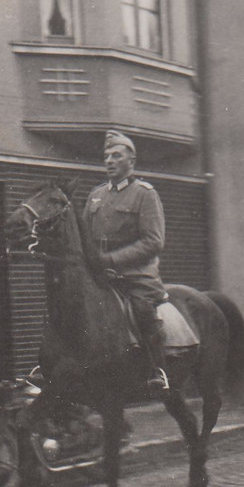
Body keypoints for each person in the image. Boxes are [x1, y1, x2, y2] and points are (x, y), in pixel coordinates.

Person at [83, 130, 170, 393]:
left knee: (143, 309)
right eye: (106, 156)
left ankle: (158, 369)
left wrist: (110, 259)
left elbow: (153, 241)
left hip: (136, 276)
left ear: (130, 162)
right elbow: (84, 235)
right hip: (101, 275)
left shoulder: (144, 194)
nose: (109, 160)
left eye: (116, 155)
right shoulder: (95, 195)